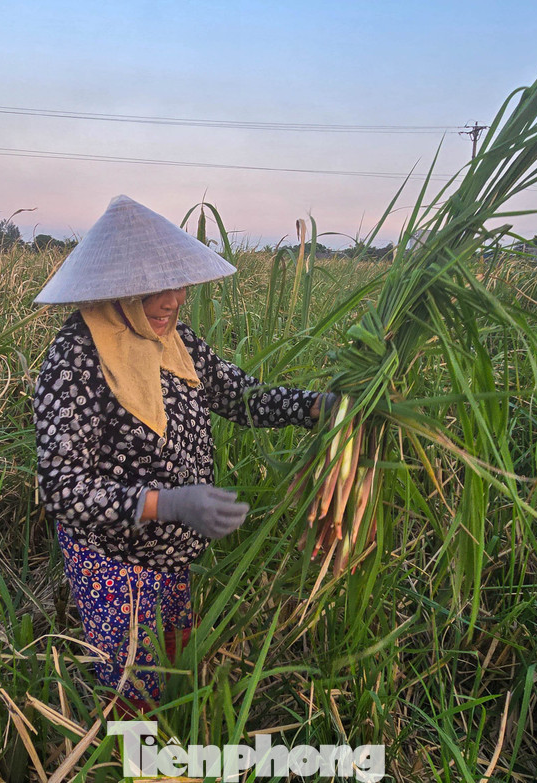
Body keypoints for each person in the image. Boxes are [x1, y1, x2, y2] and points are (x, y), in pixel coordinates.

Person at [31, 195, 329, 714]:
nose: (172, 301)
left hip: (173, 556)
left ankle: (170, 739)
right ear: (115, 289)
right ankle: (133, 754)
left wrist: (314, 407)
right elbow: (62, 490)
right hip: (115, 562)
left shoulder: (174, 339)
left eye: (178, 284)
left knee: (173, 667)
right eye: (152, 289)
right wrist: (167, 504)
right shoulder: (75, 358)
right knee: (134, 693)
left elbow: (238, 395)